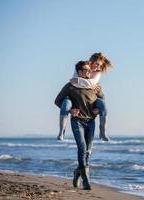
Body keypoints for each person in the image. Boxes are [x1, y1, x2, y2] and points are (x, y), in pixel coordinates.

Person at [55, 61, 97, 190]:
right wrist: (70, 110)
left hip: (91, 121)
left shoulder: (94, 85)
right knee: (82, 147)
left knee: (88, 151)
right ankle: (86, 179)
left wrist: (99, 110)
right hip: (77, 121)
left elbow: (101, 99)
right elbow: (58, 101)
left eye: (89, 70)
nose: (88, 72)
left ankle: (78, 171)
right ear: (78, 72)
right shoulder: (71, 86)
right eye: (85, 70)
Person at [57, 52, 112, 141]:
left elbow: (100, 95)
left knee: (103, 104)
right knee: (66, 102)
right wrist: (89, 85)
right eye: (97, 64)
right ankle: (61, 132)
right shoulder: (81, 67)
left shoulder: (97, 74)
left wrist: (98, 109)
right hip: (77, 111)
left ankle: (103, 132)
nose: (98, 67)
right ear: (91, 61)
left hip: (90, 116)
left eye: (100, 66)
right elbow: (74, 82)